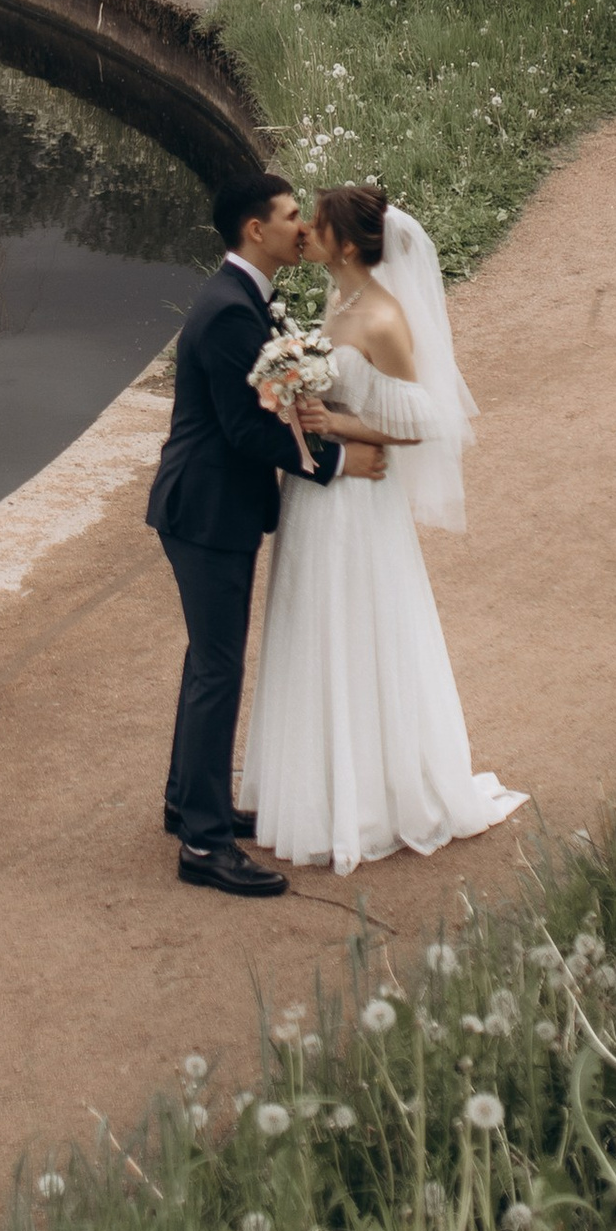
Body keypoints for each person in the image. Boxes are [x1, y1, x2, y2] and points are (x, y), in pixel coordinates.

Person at [238, 179, 525, 874]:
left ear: (343, 240)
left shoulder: (386, 318)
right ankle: (319, 790)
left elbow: (428, 420)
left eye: (318, 220)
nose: (306, 227)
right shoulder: (340, 300)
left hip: (359, 502)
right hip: (317, 495)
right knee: (314, 626)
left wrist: (334, 422)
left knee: (359, 626)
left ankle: (373, 802)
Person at [144, 169, 388, 896]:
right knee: (219, 669)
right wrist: (340, 460)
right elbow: (246, 432)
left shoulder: (248, 299)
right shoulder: (229, 313)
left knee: (207, 662)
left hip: (214, 507)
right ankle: (204, 848)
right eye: (290, 215)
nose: (302, 227)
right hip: (207, 511)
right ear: (257, 230)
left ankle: (190, 802)